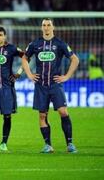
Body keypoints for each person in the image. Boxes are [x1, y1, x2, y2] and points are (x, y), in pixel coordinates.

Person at [22, 18, 79, 153]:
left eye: (48, 25)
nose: (46, 27)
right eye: (44, 25)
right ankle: (48, 145)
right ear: (41, 28)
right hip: (40, 85)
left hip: (55, 84)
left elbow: (75, 59)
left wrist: (67, 76)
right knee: (42, 116)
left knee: (63, 112)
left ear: (53, 27)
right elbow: (24, 58)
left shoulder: (60, 43)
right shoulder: (35, 44)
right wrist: (29, 74)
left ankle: (70, 144)